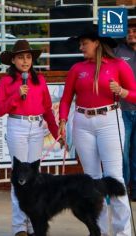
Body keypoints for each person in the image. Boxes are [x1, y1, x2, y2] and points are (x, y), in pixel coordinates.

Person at [58, 25, 136, 235]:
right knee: (91, 180)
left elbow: (134, 94)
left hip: (110, 120)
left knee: (114, 177)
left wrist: (121, 91)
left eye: (84, 42)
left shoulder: (119, 65)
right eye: (80, 43)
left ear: (97, 43)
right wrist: (63, 120)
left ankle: (123, 232)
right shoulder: (77, 69)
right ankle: (98, 231)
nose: (81, 46)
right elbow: (66, 99)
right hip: (82, 122)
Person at [0, 40, 60, 236]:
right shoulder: (7, 82)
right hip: (17, 125)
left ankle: (33, 225)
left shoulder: (40, 79)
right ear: (13, 60)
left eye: (28, 57)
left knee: (34, 177)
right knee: (19, 177)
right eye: (21, 57)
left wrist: (57, 133)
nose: (25, 61)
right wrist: (16, 94)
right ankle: (19, 227)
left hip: (38, 126)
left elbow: (48, 109)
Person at [114, 18, 136, 199]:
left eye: (135, 31)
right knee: (123, 152)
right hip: (123, 110)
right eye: (128, 31)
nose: (131, 34)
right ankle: (123, 191)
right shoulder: (118, 51)